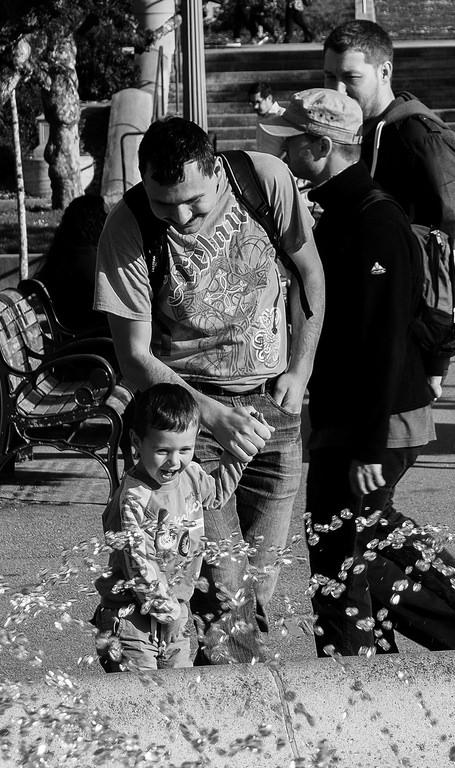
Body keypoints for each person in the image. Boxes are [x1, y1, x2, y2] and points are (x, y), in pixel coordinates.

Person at [262, 88, 455, 656]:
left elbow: (382, 340)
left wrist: (368, 445)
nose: (282, 156)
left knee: (351, 534)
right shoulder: (336, 209)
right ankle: (393, 656)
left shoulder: (375, 218)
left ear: (322, 145)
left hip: (378, 415)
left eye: (290, 144)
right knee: (344, 543)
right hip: (352, 409)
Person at [94, 116, 325, 664]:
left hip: (275, 407)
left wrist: (301, 369)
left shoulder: (264, 180)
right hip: (188, 423)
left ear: (216, 172)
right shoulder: (127, 228)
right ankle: (239, 713)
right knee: (222, 588)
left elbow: (310, 276)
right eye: (162, 203)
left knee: (257, 588)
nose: (178, 217)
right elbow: (134, 357)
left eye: (193, 203)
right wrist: (215, 417)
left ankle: (206, 701)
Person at [323, 20, 455, 399]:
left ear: (385, 71)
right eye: (329, 77)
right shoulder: (356, 132)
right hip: (360, 326)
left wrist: (437, 356)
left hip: (404, 334)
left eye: (350, 78)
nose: (337, 90)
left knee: (381, 449)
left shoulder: (421, 139)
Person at [92, 383, 247, 671]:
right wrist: (167, 608)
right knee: (141, 699)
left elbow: (217, 495)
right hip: (131, 618)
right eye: (163, 451)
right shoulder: (135, 496)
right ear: (137, 442)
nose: (174, 462)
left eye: (185, 449)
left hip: (177, 610)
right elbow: (138, 563)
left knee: (179, 695)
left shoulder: (191, 474)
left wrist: (240, 454)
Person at [32, 194, 109, 336]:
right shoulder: (85, 259)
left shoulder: (67, 252)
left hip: (80, 331)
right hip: (90, 337)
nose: (107, 218)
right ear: (93, 221)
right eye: (104, 214)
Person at [248, 82, 287, 155]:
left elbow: (289, 147)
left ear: (269, 98)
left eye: (258, 102)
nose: (255, 106)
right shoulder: (260, 116)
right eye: (253, 103)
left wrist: (278, 163)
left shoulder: (283, 115)